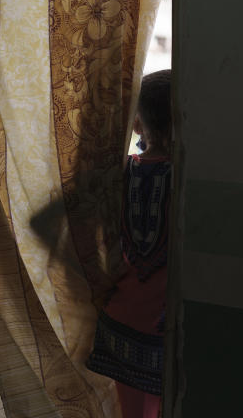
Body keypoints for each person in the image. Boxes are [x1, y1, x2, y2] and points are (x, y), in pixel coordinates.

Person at [86, 69, 172, 418]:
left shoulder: (119, 173)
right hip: (167, 322)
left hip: (121, 320)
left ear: (136, 125)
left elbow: (43, 221)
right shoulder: (191, 178)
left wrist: (95, 273)